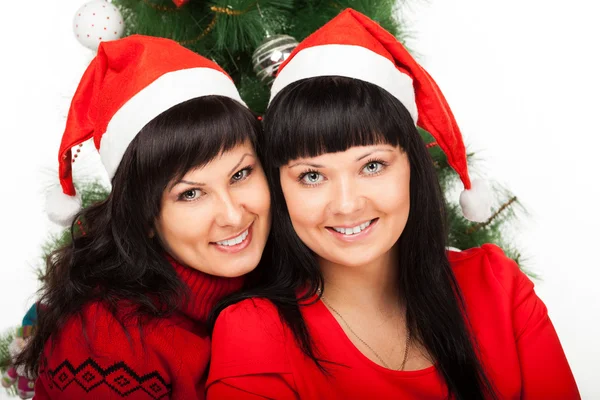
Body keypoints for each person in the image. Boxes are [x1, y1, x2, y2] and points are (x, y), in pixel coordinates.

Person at [207, 9, 580, 400]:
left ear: (412, 168)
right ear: (279, 186)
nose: (347, 205)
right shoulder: (255, 331)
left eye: (372, 166)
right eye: (312, 176)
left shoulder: (496, 288)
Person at [16, 35, 271, 399]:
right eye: (190, 194)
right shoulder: (107, 342)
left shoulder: (288, 277)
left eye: (241, 174)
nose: (232, 215)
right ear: (145, 217)